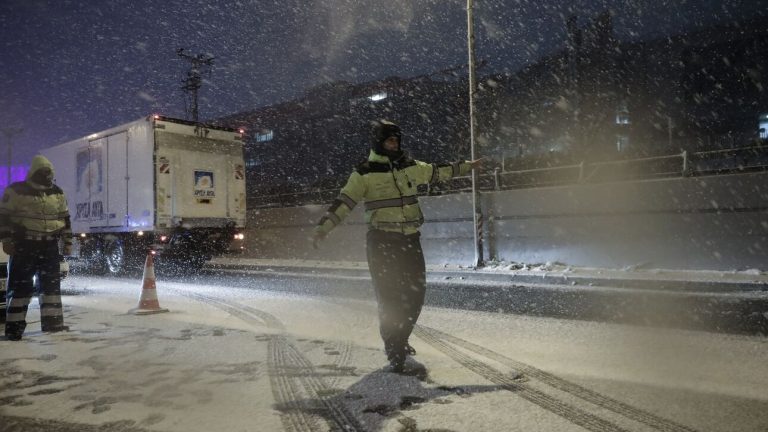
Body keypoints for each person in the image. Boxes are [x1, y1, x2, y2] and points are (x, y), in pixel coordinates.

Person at [313, 119, 482, 373]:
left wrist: (467, 167)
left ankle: (400, 339)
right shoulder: (364, 173)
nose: (394, 144)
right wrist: (323, 227)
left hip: (410, 241)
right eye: (389, 140)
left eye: (396, 140)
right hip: (382, 243)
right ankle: (395, 349)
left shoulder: (410, 167)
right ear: (378, 143)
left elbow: (438, 171)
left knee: (415, 296)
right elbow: (344, 202)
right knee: (390, 299)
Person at [1, 155, 73, 341]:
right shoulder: (16, 191)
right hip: (25, 245)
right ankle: (14, 330)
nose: (47, 177)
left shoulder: (57, 192)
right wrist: (6, 240)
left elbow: (65, 219)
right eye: (43, 173)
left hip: (49, 246)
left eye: (49, 174)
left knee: (51, 288)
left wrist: (67, 242)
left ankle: (53, 324)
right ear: (34, 172)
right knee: (20, 288)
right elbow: (4, 217)